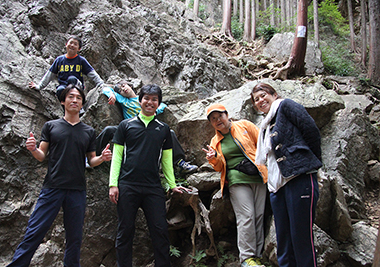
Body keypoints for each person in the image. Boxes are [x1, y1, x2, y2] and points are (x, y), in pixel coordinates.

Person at [7, 84, 112, 267]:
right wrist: (32, 149)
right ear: (63, 101)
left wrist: (102, 158)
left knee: (75, 238)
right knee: (35, 231)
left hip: (77, 190)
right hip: (52, 187)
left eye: (79, 98)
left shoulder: (88, 132)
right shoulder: (51, 126)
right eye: (71, 97)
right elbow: (41, 155)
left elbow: (91, 161)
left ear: (82, 104)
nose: (74, 100)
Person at [108, 84, 190, 267]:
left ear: (158, 103)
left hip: (153, 187)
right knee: (125, 231)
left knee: (160, 230)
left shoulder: (163, 129)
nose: (150, 102)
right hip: (128, 184)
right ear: (140, 100)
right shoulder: (125, 126)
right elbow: (117, 156)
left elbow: (166, 161)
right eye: (146, 98)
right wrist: (113, 184)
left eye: (154, 99)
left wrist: (172, 184)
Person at [251, 83, 322, 267]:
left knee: (301, 238)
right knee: (283, 240)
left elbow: (311, 130)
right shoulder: (265, 126)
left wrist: (308, 163)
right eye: (256, 99)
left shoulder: (286, 106)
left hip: (299, 178)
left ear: (274, 94)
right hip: (277, 186)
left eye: (263, 95)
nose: (260, 101)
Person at [202, 104, 268, 267]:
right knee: (247, 216)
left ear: (227, 115)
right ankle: (246, 258)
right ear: (211, 123)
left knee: (259, 216)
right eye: (213, 119)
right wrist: (213, 158)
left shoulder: (244, 125)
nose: (218, 121)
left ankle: (257, 256)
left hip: (258, 177)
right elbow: (218, 167)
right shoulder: (215, 141)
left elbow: (262, 142)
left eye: (220, 116)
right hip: (237, 180)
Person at [97, 80, 197, 174]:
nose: (123, 89)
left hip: (149, 130)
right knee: (109, 130)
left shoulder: (145, 98)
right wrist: (112, 94)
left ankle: (180, 163)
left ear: (130, 85)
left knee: (169, 133)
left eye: (123, 86)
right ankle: (92, 155)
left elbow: (162, 105)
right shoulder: (123, 100)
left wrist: (155, 110)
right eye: (120, 90)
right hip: (130, 131)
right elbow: (105, 88)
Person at [29, 35, 104, 100]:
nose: (72, 45)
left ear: (79, 49)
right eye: (70, 43)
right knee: (60, 90)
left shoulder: (81, 60)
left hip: (77, 86)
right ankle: (66, 111)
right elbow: (50, 74)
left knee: (72, 79)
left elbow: (92, 73)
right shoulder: (59, 60)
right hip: (64, 87)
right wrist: (39, 86)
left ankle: (79, 107)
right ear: (66, 44)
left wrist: (101, 84)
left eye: (75, 44)